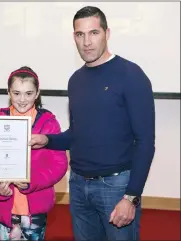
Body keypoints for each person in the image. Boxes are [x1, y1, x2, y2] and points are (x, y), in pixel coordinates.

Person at [29, 6, 155, 241]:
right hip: (78, 186)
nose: (86, 42)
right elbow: (78, 133)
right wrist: (47, 140)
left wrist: (131, 197)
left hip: (117, 188)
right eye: (80, 34)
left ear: (107, 34)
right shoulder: (75, 80)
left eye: (94, 33)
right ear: (74, 37)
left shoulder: (131, 75)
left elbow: (146, 142)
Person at [0, 67, 68, 240]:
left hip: (36, 208)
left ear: (37, 93)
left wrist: (31, 180)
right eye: (16, 93)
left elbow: (59, 165)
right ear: (8, 92)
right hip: (4, 206)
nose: (22, 100)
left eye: (29, 93)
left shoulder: (49, 123)